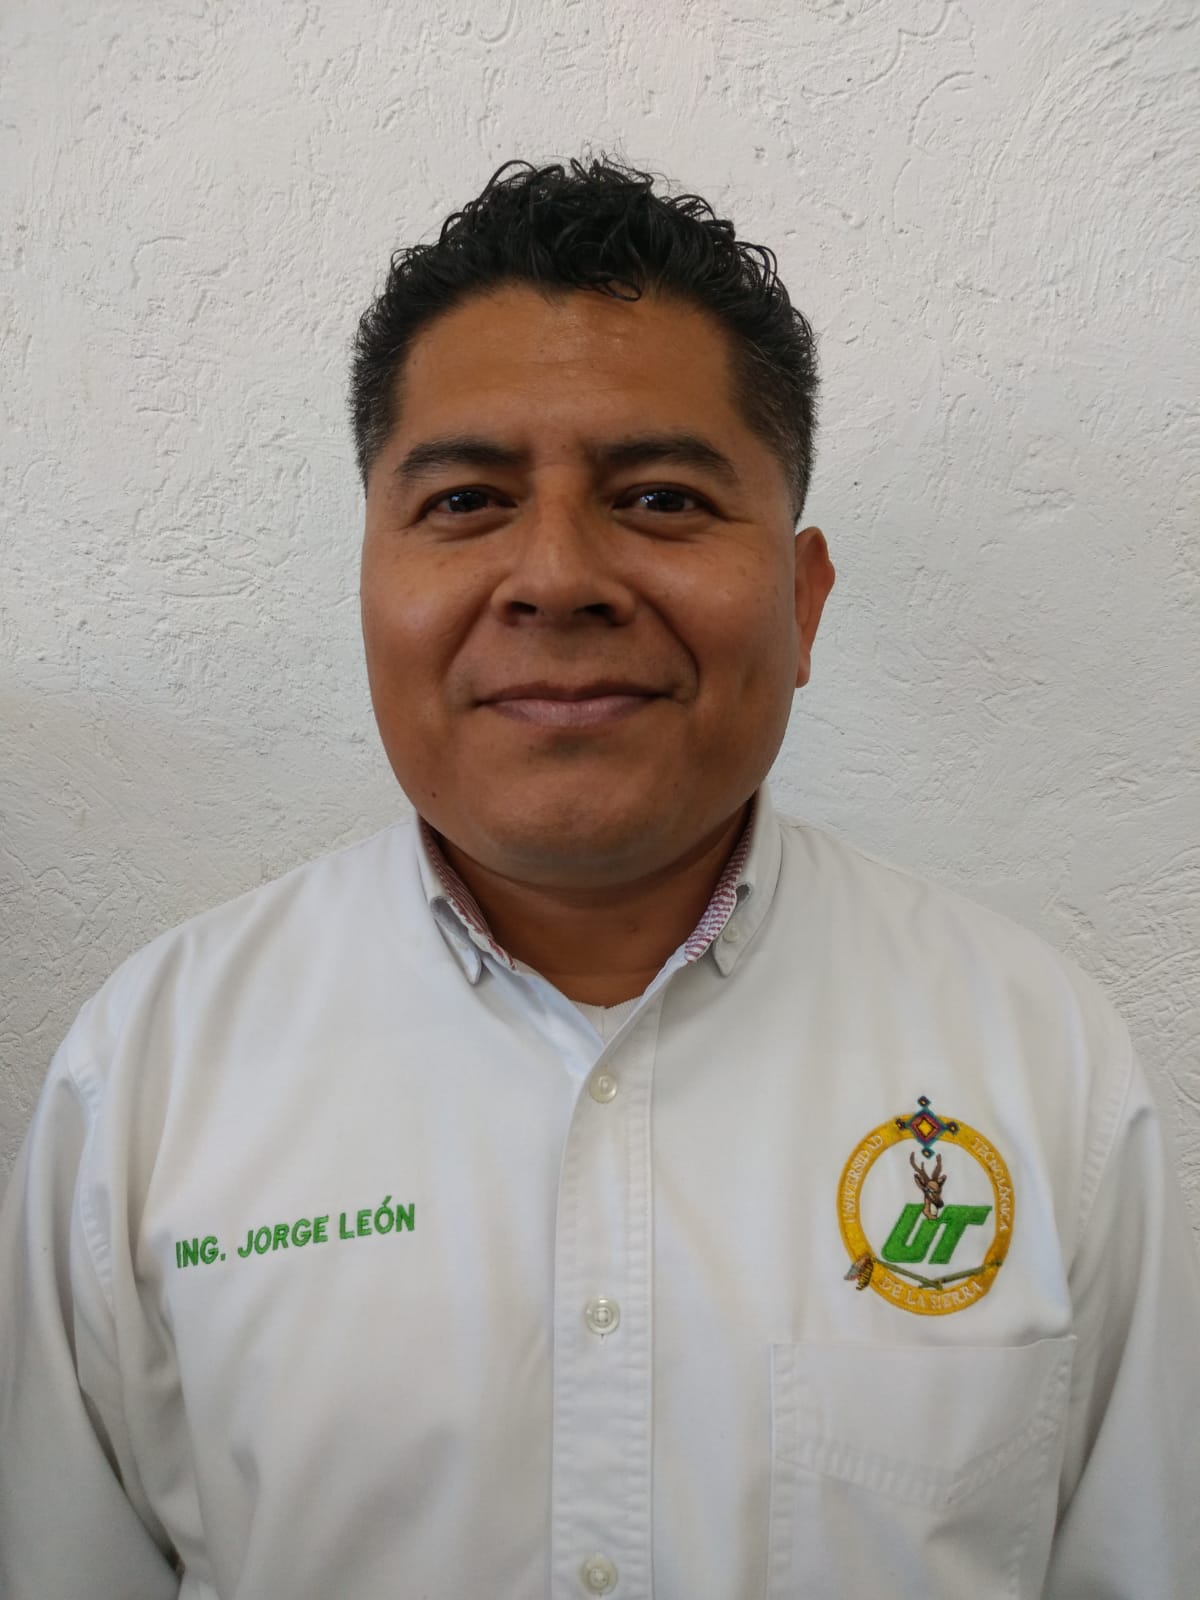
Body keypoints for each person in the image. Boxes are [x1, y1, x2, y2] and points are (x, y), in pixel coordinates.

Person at [1, 153, 1197, 1600]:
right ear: (369, 584)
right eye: (466, 501)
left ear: (803, 598)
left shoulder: (1043, 1068)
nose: (558, 576)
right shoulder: (148, 1078)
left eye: (660, 498)